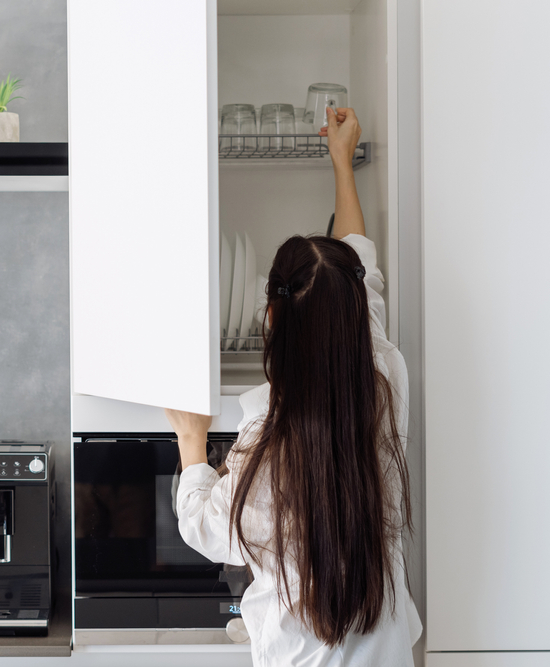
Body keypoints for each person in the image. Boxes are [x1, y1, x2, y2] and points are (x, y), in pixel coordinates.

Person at [165, 107, 422, 666]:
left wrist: (191, 441)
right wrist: (343, 164)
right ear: (353, 312)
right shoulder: (386, 375)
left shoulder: (268, 441)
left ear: (273, 322)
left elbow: (209, 531)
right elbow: (362, 265)